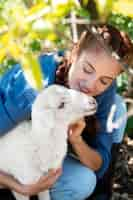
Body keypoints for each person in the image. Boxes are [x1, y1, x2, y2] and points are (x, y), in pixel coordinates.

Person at [0, 23, 132, 200]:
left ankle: (101, 194)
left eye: (104, 81)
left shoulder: (104, 93)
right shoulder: (33, 88)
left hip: (46, 153)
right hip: (9, 159)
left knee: (118, 107)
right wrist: (19, 187)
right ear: (74, 54)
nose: (91, 85)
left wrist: (76, 140)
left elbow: (100, 164)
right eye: (87, 69)